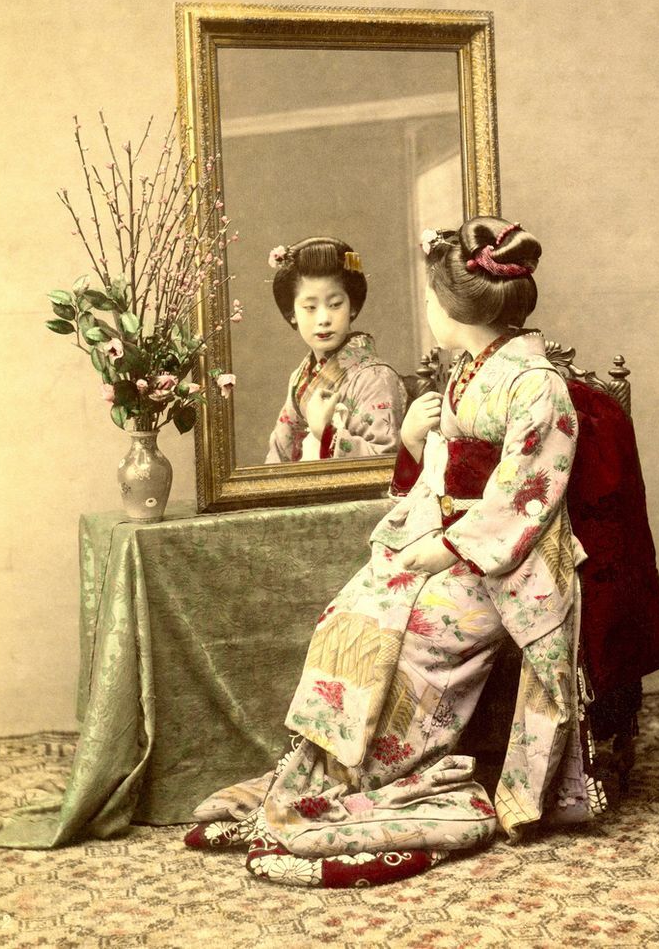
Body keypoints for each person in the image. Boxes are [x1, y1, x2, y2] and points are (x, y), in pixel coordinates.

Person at [185, 217, 604, 888]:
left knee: (414, 635)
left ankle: (379, 771)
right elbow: (440, 472)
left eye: (434, 302)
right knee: (353, 610)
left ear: (460, 310)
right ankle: (327, 767)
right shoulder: (469, 372)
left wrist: (448, 550)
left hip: (512, 565)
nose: (429, 311)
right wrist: (414, 450)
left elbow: (529, 493)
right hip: (452, 542)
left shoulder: (535, 385)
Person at [264, 237, 407, 462]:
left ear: (353, 306)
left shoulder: (375, 377)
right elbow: (279, 454)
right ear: (292, 313)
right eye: (310, 307)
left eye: (335, 305)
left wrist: (326, 435)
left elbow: (385, 461)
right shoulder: (299, 378)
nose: (323, 319)